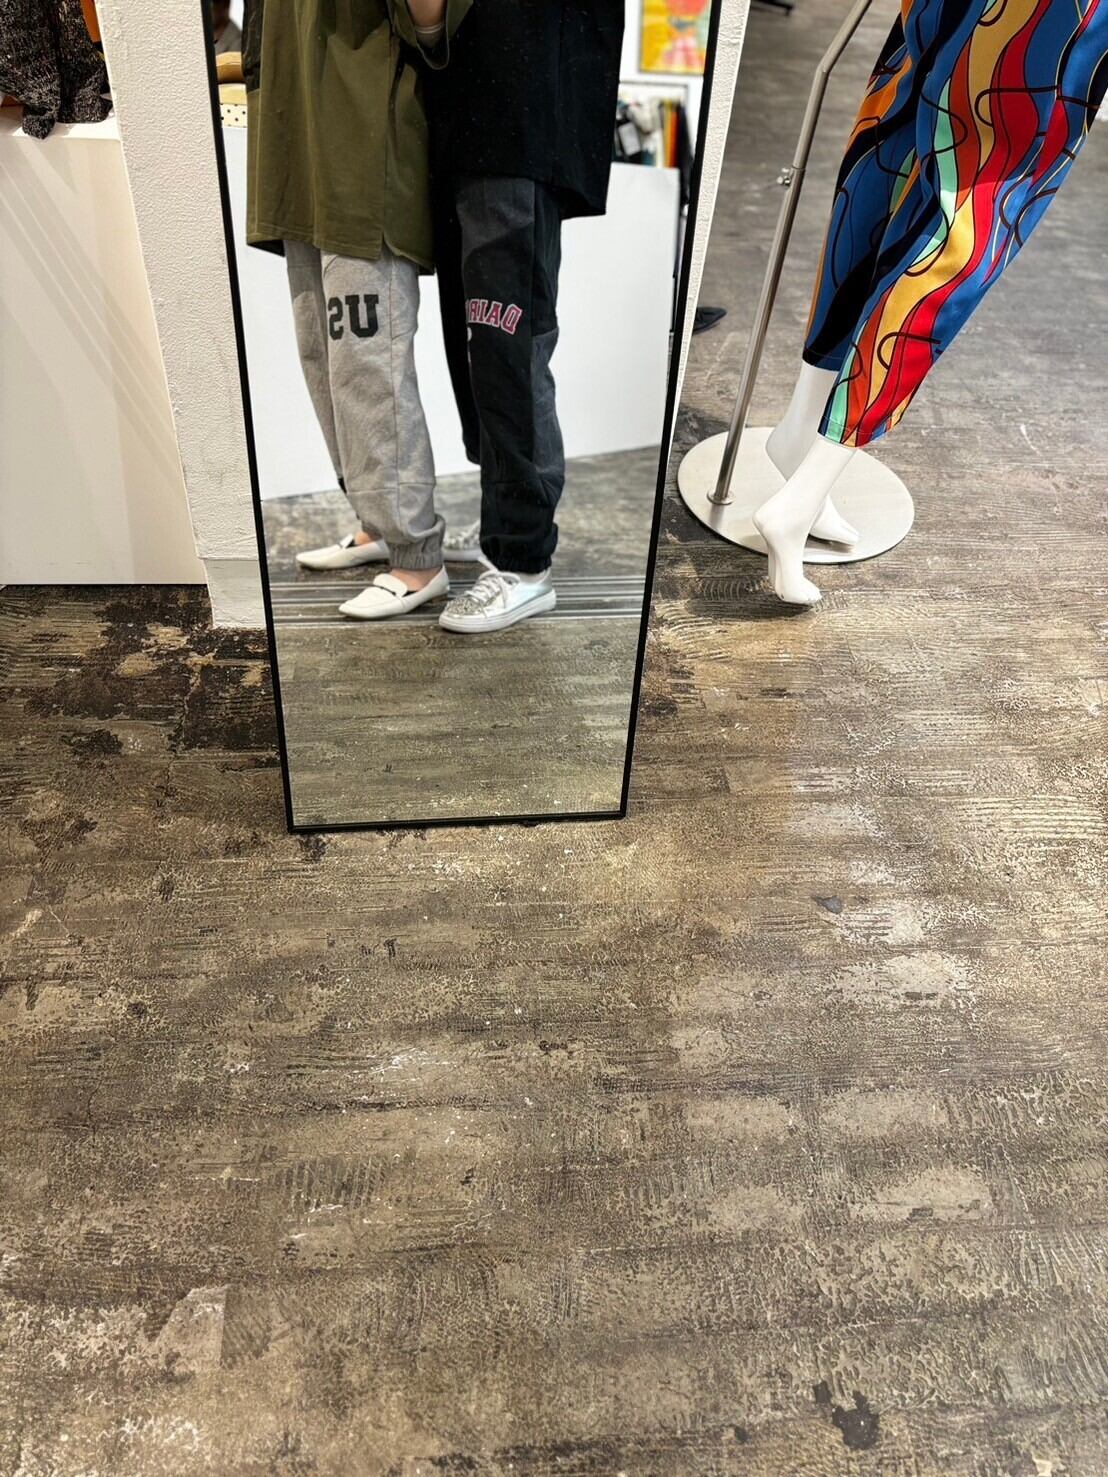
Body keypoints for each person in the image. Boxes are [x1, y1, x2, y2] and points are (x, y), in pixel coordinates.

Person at [243, 0, 469, 620]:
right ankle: (377, 523)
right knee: (323, 357)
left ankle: (417, 556)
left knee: (367, 364)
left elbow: (432, 24)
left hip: (361, 145)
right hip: (296, 143)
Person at [428, 2, 626, 635]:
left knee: (509, 350)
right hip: (468, 108)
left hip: (517, 107)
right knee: (476, 349)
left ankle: (522, 560)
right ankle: (503, 517)